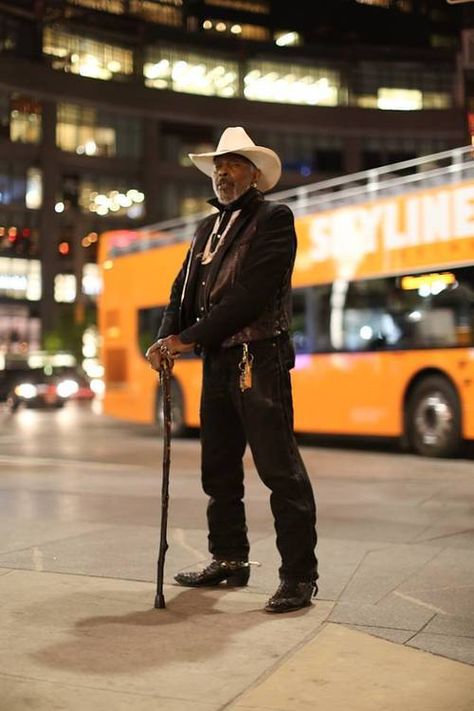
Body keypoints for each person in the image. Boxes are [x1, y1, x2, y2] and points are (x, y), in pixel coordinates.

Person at [146, 126, 318, 613]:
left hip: (258, 358)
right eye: (218, 165)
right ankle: (229, 558)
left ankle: (300, 576)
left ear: (256, 175)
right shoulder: (206, 230)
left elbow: (251, 296)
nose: (222, 172)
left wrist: (188, 339)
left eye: (234, 164)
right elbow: (181, 293)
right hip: (218, 361)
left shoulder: (274, 219)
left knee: (278, 469)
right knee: (218, 469)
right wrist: (164, 338)